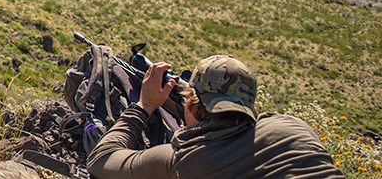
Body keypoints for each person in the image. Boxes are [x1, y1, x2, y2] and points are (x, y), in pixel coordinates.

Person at [87, 55, 343, 178]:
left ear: (192, 102)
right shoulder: (294, 126)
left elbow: (101, 160)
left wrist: (144, 104)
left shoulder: (186, 159)